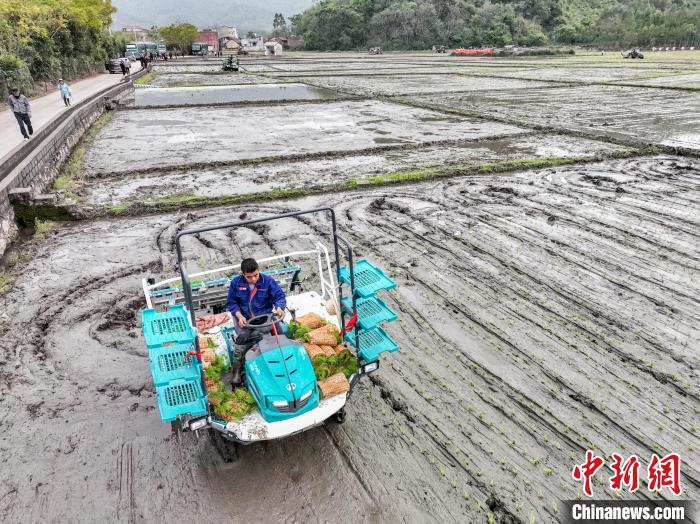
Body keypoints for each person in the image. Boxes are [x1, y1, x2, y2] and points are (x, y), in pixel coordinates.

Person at [227, 258, 286, 346]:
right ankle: (237, 357)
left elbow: (279, 296)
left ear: (259, 270)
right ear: (243, 274)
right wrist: (239, 316)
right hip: (246, 319)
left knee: (280, 335)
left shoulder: (268, 281)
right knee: (241, 338)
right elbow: (231, 302)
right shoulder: (235, 283)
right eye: (249, 277)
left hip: (265, 316)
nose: (253, 279)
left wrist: (279, 307)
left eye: (256, 275)